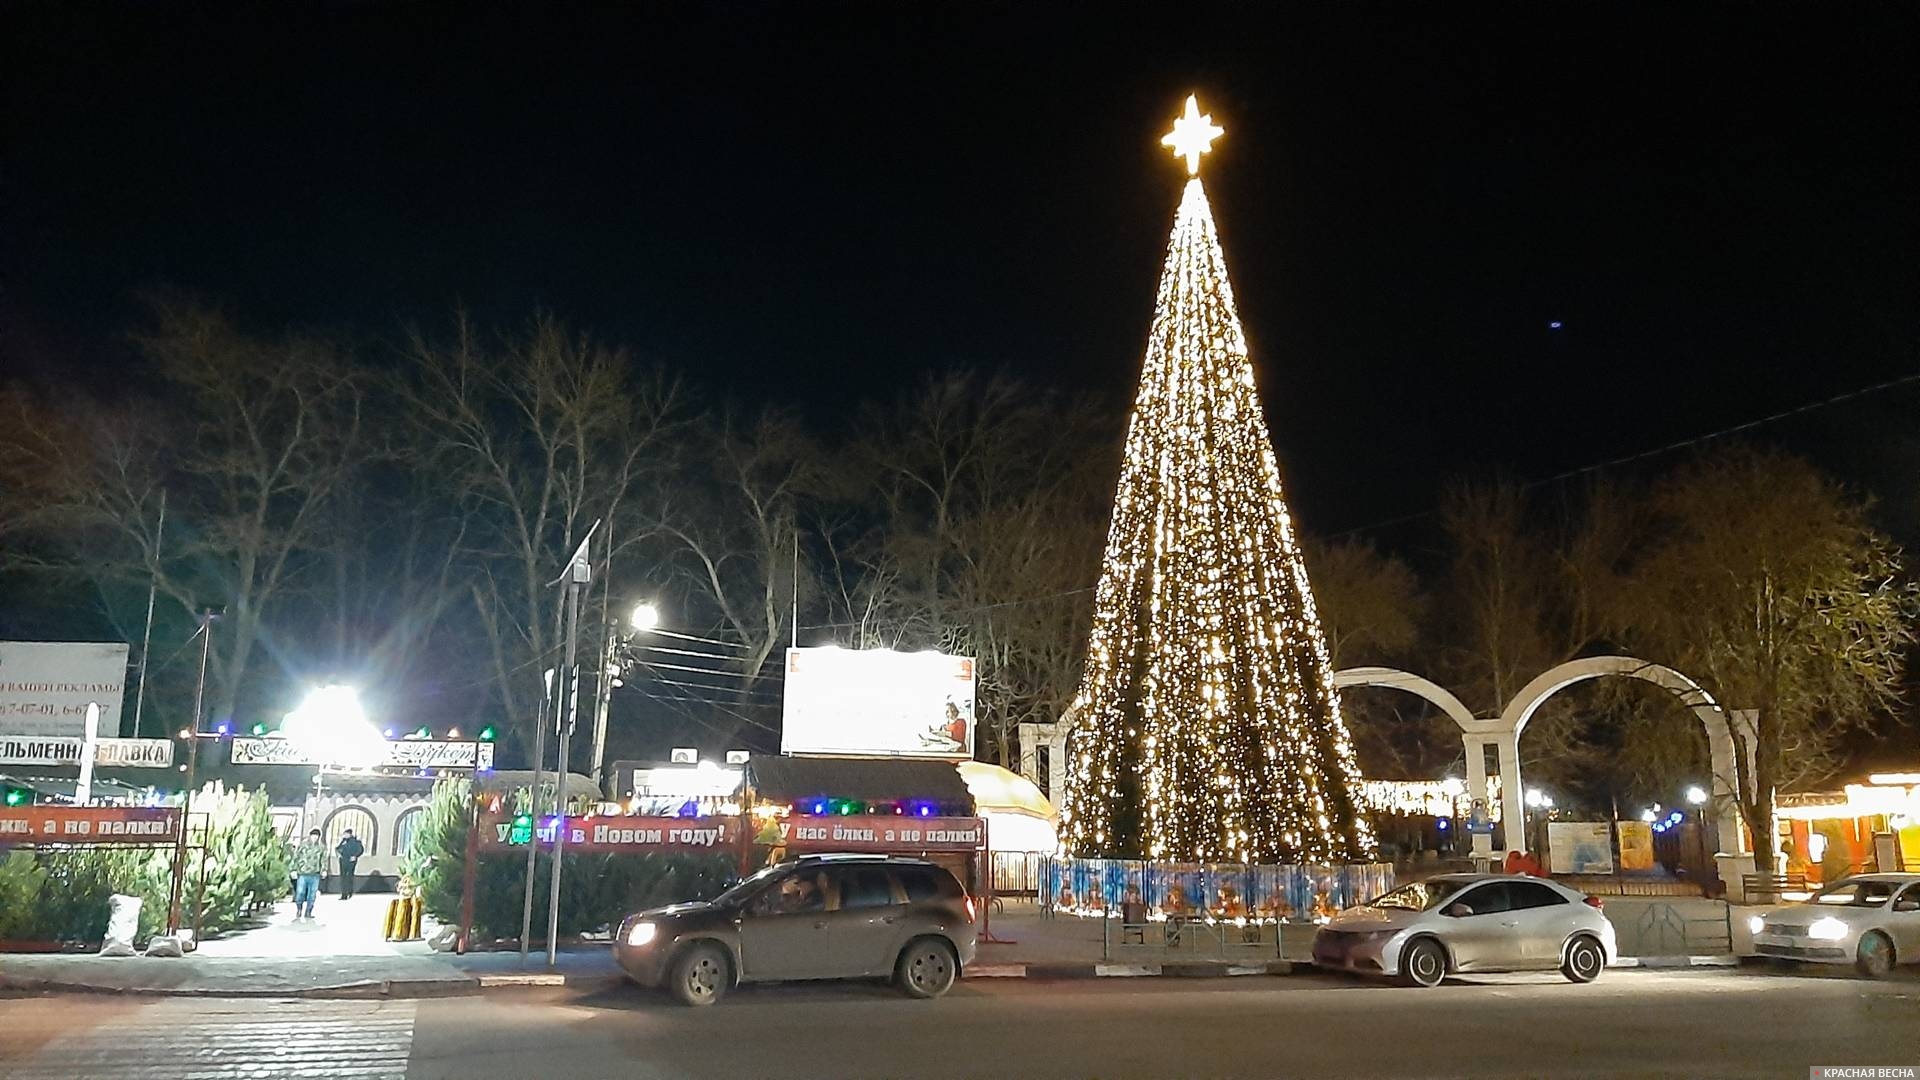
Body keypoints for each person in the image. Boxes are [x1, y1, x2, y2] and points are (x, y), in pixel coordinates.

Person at [291, 828, 325, 920]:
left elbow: (323, 859)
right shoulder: (303, 845)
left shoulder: (321, 847)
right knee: (300, 893)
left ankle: (309, 911)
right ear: (310, 835)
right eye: (313, 835)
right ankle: (299, 908)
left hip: (315, 874)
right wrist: (293, 870)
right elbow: (296, 857)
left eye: (317, 836)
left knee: (312, 894)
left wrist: (324, 870)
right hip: (302, 873)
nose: (315, 838)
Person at [335, 829, 365, 899]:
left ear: (350, 834)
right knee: (343, 877)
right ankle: (343, 894)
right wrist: (338, 853)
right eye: (344, 834)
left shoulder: (355, 841)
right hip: (343, 861)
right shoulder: (343, 841)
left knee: (349, 877)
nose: (345, 835)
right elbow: (338, 848)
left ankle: (349, 892)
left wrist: (355, 856)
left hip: (351, 861)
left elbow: (360, 849)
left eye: (346, 834)